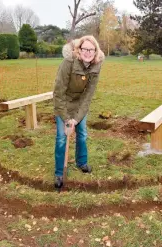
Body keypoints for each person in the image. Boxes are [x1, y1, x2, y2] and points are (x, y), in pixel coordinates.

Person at [53, 35, 105, 189]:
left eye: (91, 49)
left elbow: (88, 96)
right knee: (62, 138)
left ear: (95, 52)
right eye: (85, 49)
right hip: (63, 102)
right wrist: (66, 118)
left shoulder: (96, 66)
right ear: (79, 49)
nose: (88, 52)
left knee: (82, 134)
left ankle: (81, 162)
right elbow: (58, 92)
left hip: (80, 104)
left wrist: (76, 119)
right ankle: (59, 173)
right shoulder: (68, 62)